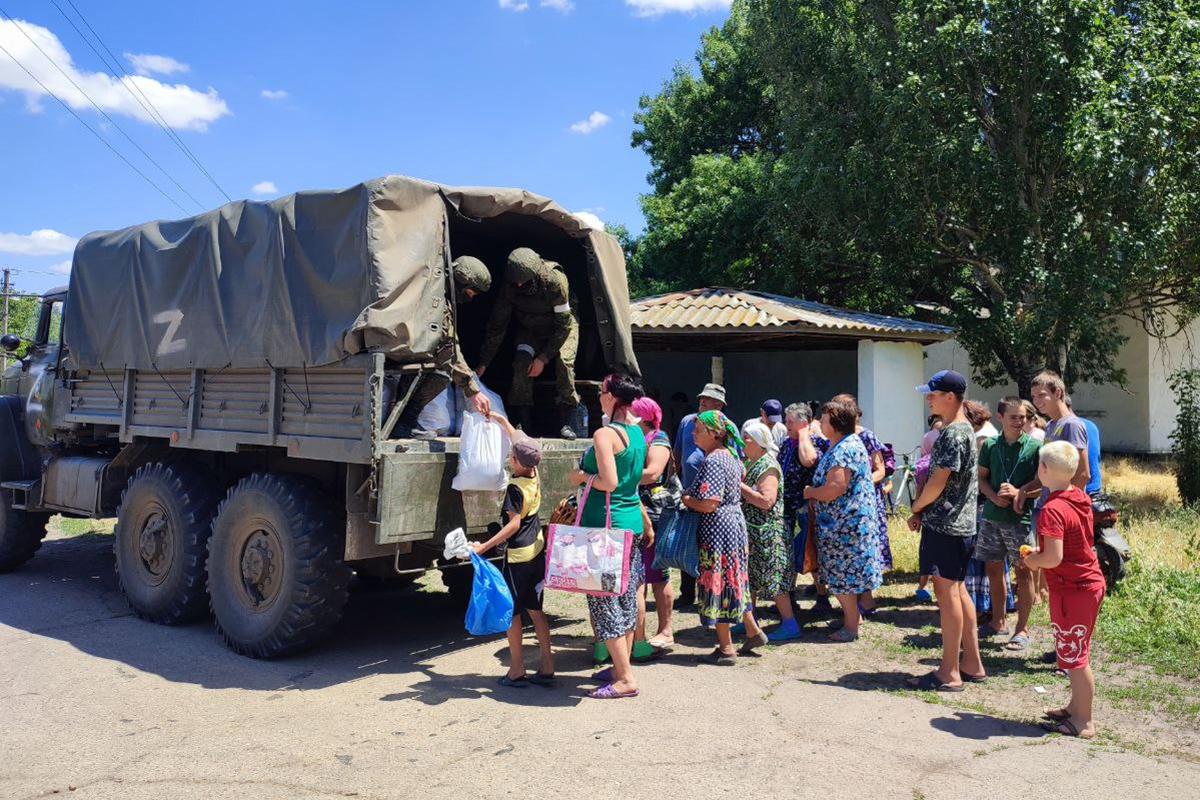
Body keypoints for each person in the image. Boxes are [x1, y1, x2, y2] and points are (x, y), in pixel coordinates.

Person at [906, 370, 986, 691]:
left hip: (946, 526)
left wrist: (916, 507)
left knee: (947, 594)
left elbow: (938, 481)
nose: (928, 398)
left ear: (950, 397)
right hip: (961, 524)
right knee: (958, 590)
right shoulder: (964, 429)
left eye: (933, 394)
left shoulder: (952, 433)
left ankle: (949, 671)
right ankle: (972, 662)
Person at [568, 373, 647, 698]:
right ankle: (620, 667)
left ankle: (625, 678)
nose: (599, 396)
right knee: (626, 598)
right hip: (629, 525)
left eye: (601, 391)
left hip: (605, 528)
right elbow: (631, 481)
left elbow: (609, 481)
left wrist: (581, 476)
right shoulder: (638, 435)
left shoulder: (605, 434)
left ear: (612, 397)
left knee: (604, 602)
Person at [1022, 441, 1105, 739]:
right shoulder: (1077, 496)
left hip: (1075, 588)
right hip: (1085, 584)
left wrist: (1033, 560)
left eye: (1038, 465)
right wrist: (1042, 551)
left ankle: (1084, 721)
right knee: (1075, 650)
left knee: (1076, 655)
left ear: (1044, 469)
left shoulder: (1052, 509)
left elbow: (1053, 558)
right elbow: (1066, 545)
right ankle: (1076, 707)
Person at [470, 417, 554, 688]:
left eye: (511, 455)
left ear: (516, 462)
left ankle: (517, 668)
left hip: (517, 558)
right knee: (537, 610)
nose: (509, 455)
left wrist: (483, 546)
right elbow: (520, 439)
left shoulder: (515, 489)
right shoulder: (534, 474)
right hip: (537, 553)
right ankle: (547, 664)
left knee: (513, 613)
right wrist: (499, 419)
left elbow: (514, 524)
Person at [680, 410, 768, 664]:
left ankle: (726, 648)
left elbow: (709, 503)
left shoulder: (715, 461)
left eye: (698, 429)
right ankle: (753, 631)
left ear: (715, 433)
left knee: (717, 582)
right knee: (734, 579)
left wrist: (687, 499)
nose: (693, 433)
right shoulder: (730, 456)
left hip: (718, 529)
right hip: (732, 525)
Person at [476, 248, 579, 439]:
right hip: (530, 327)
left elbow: (564, 324)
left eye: (524, 281)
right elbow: (497, 325)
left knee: (564, 363)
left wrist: (543, 357)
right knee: (521, 362)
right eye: (516, 282)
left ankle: (568, 417)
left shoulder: (555, 281)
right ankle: (524, 420)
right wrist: (484, 361)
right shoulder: (510, 287)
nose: (520, 284)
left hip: (561, 325)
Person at [802, 396, 882, 642]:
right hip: (846, 524)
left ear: (835, 423)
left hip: (844, 527)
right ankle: (852, 618)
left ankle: (850, 627)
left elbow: (835, 487)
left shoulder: (844, 448)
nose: (820, 423)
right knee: (848, 575)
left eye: (824, 419)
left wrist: (811, 492)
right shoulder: (848, 443)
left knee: (844, 576)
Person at [396, 256, 493, 436]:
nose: (472, 297)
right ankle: (402, 424)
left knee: (442, 372)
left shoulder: (440, 294)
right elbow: (448, 348)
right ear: (462, 283)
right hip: (404, 356)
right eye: (472, 291)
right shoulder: (435, 300)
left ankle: (406, 423)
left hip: (411, 354)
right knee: (443, 371)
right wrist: (472, 390)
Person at [976, 397, 1041, 651]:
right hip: (992, 518)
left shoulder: (1035, 447)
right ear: (1000, 417)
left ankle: (1022, 629)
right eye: (1013, 417)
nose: (1019, 421)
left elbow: (1041, 484)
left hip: (1019, 521)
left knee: (1024, 572)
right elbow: (981, 478)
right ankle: (997, 621)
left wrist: (1020, 492)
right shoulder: (990, 445)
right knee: (993, 571)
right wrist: (993, 496)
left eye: (1023, 417)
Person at [829, 393, 890, 616]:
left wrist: (858, 483)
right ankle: (853, 603)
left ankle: (866, 601)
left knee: (862, 550)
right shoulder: (836, 437)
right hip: (845, 503)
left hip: (864, 501)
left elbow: (880, 470)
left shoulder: (866, 437)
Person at [740, 420, 801, 641]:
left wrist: (740, 486)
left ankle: (789, 623)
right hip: (754, 532)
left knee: (775, 579)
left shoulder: (768, 465)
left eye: (746, 437)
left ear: (758, 442)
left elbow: (767, 501)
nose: (742, 441)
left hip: (769, 533)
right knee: (750, 578)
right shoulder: (750, 462)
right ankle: (749, 620)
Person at [673, 383, 726, 607]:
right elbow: (677, 451)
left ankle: (709, 594)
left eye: (708, 399)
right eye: (702, 398)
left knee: (710, 547)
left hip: (713, 497)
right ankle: (687, 594)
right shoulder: (687, 422)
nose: (702, 401)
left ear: (719, 405)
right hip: (688, 492)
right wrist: (673, 477)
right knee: (688, 542)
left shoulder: (725, 426)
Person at [632, 396, 678, 654]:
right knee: (642, 577)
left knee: (658, 575)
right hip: (638, 511)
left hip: (653, 513)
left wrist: (618, 476)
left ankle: (665, 630)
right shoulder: (638, 439)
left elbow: (652, 472)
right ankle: (641, 635)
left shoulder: (659, 439)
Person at [780, 402, 830, 611]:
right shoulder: (785, 443)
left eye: (790, 421)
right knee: (787, 553)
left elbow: (808, 460)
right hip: (787, 508)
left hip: (806, 509)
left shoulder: (816, 443)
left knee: (811, 553)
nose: (786, 424)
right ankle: (790, 598)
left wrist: (803, 435)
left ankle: (822, 598)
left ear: (803, 422)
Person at [913, 414, 944, 602]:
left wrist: (916, 510)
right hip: (941, 513)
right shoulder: (927, 464)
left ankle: (923, 586)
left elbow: (919, 489)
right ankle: (927, 586)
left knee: (928, 550)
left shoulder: (924, 464)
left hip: (930, 511)